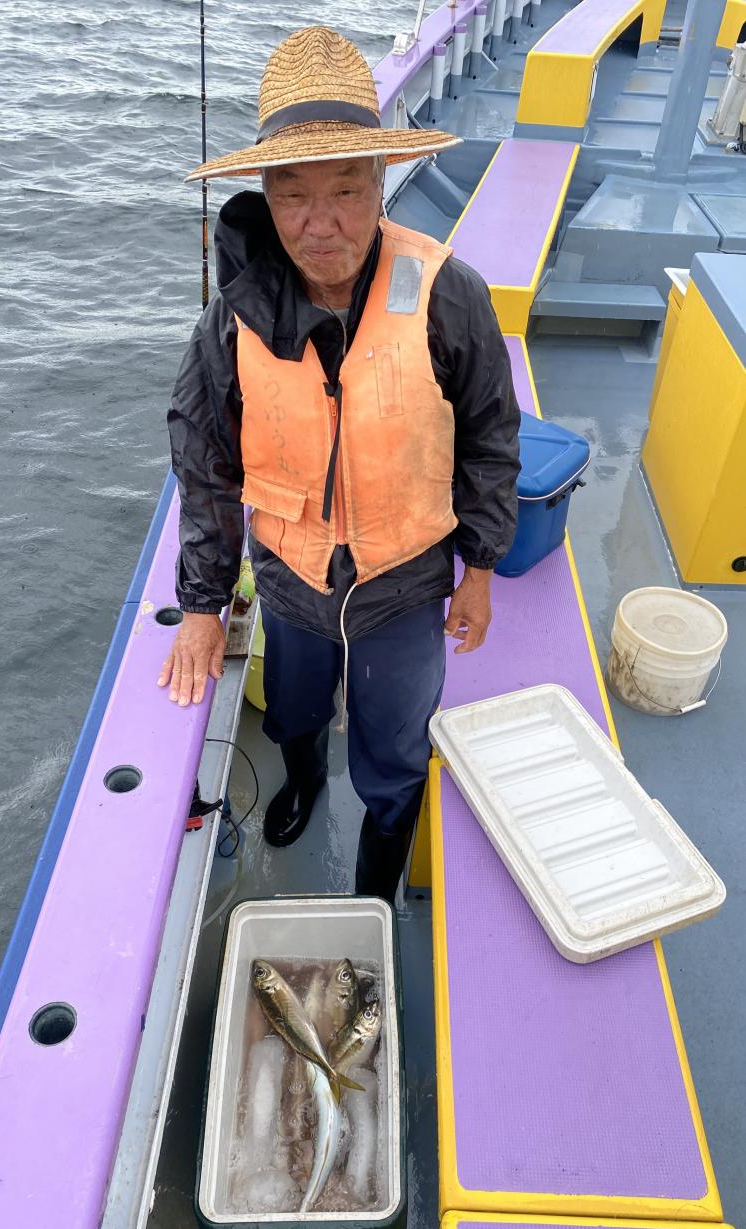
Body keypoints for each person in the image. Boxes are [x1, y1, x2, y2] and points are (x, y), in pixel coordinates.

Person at [159, 26, 520, 901]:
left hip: (407, 577)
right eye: (292, 197)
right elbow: (203, 461)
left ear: (382, 181)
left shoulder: (448, 293)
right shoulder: (230, 317)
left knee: (395, 747)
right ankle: (302, 781)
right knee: (292, 710)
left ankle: (377, 871)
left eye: (347, 191)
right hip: (289, 576)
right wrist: (204, 605)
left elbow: (489, 436)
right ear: (266, 197)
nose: (319, 226)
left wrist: (477, 571)